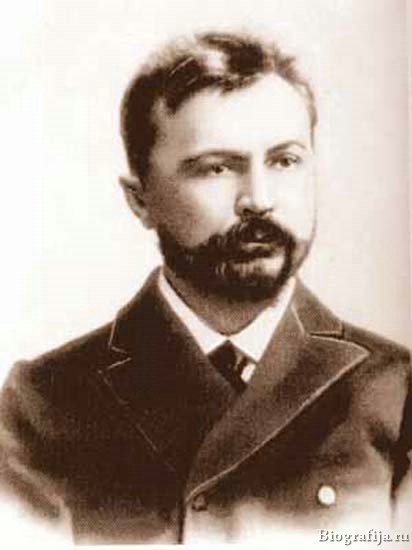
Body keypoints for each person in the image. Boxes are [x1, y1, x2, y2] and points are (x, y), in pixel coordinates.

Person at [0, 31, 410, 545]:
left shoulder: (396, 391)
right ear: (140, 199)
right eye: (216, 168)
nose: (259, 199)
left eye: (284, 161)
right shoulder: (44, 404)